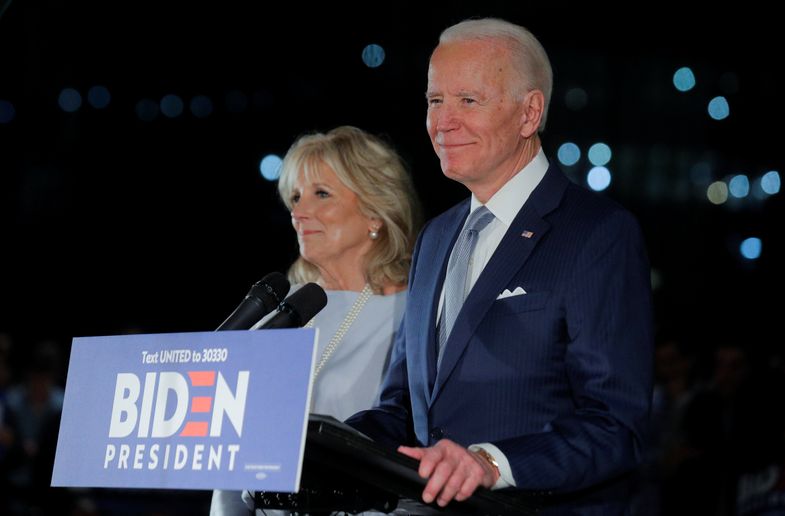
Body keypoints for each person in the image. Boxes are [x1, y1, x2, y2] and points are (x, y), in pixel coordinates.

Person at [346, 17, 654, 512]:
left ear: (529, 113)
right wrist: (318, 439)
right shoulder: (435, 237)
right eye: (435, 100)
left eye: (468, 100)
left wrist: (490, 464)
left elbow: (616, 426)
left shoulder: (597, 233)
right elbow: (403, 409)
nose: (443, 122)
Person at [210, 125, 422, 515]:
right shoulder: (278, 314)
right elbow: (233, 450)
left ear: (376, 210)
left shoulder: (414, 311)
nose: (299, 212)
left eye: (321, 194)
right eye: (295, 197)